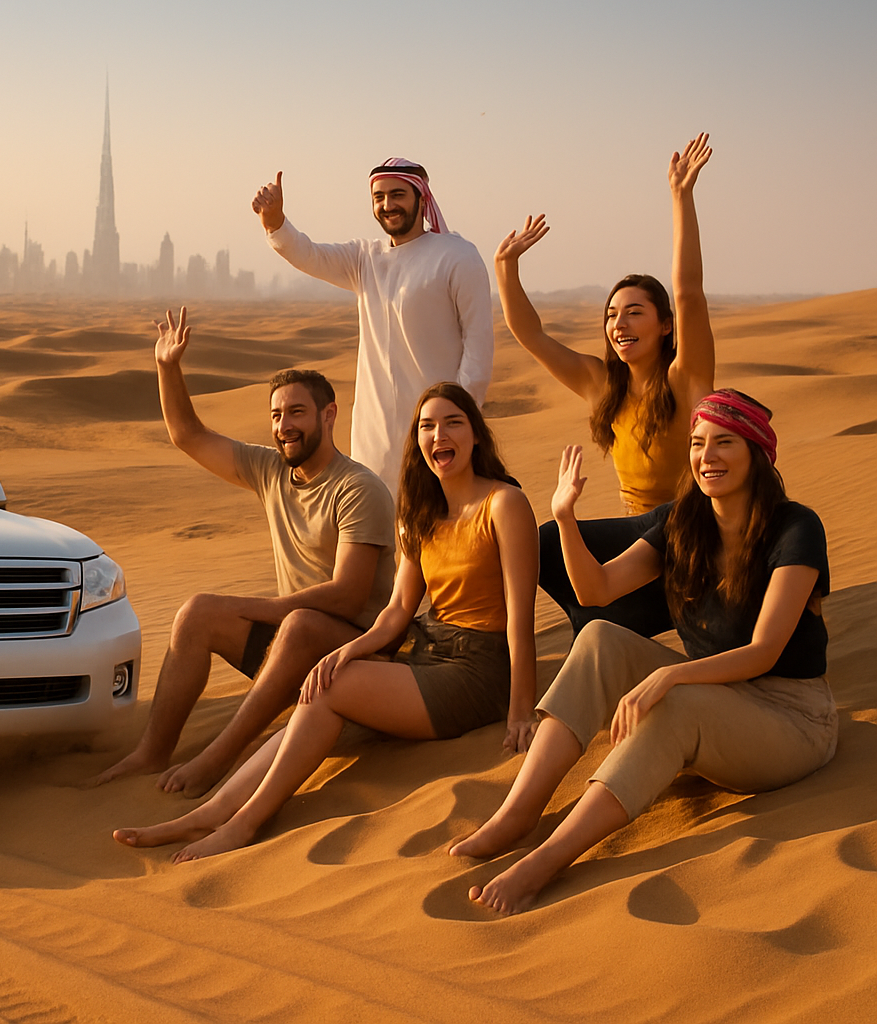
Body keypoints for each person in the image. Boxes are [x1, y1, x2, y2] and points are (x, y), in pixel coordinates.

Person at [112, 382, 540, 861]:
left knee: (332, 686)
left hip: (478, 670)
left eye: (453, 423)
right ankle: (207, 815)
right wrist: (346, 650)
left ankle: (243, 825)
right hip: (424, 652)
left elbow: (520, 618)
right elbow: (398, 611)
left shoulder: (504, 505)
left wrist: (521, 711)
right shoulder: (419, 514)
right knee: (320, 689)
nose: (439, 435)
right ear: (418, 442)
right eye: (427, 426)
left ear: (476, 435)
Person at [451, 390, 836, 915]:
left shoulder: (796, 527)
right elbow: (596, 591)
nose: (707, 457)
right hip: (720, 698)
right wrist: (564, 518)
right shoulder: (685, 523)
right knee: (600, 637)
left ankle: (547, 859)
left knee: (676, 704)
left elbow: (765, 651)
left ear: (757, 453)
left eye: (725, 443)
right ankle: (517, 813)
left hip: (792, 718)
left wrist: (669, 678)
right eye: (699, 443)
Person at [87, 307, 396, 795]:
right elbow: (188, 436)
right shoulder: (271, 469)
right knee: (196, 615)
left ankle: (216, 761)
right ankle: (152, 753)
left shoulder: (358, 489)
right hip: (294, 645)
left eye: (296, 412)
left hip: (359, 657)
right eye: (276, 415)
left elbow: (349, 596)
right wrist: (168, 368)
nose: (284, 426)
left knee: (296, 625)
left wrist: (265, 610)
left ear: (328, 414)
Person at [496, 133, 715, 637]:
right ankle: (598, 627)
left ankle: (601, 629)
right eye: (612, 314)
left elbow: (688, 291)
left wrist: (681, 198)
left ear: (664, 325)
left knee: (598, 546)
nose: (620, 324)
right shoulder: (600, 384)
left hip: (690, 537)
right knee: (542, 544)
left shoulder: (687, 378)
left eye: (635, 312)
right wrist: (506, 269)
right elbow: (530, 334)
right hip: (639, 546)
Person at [253, 160, 494, 485]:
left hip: (437, 437)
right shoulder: (365, 258)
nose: (388, 205)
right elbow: (309, 254)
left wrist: (457, 420)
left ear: (421, 198)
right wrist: (275, 222)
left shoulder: (457, 256)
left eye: (398, 195)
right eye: (379, 197)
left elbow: (478, 347)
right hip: (374, 437)